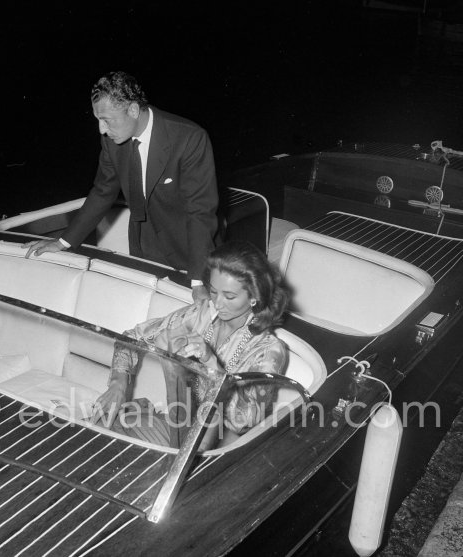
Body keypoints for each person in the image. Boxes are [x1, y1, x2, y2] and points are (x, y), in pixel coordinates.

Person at [24, 71, 219, 301]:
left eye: (107, 120)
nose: (102, 130)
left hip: (191, 249)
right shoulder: (111, 140)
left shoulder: (190, 138)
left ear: (134, 110)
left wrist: (198, 280)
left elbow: (200, 212)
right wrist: (63, 241)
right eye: (98, 120)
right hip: (142, 247)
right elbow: (102, 191)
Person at [91, 241, 290, 449]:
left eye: (229, 296)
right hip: (178, 426)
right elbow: (132, 338)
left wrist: (210, 361)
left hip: (215, 451)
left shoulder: (268, 350)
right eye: (213, 292)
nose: (218, 303)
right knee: (94, 431)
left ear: (255, 297)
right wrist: (119, 383)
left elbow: (243, 421)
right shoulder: (201, 315)